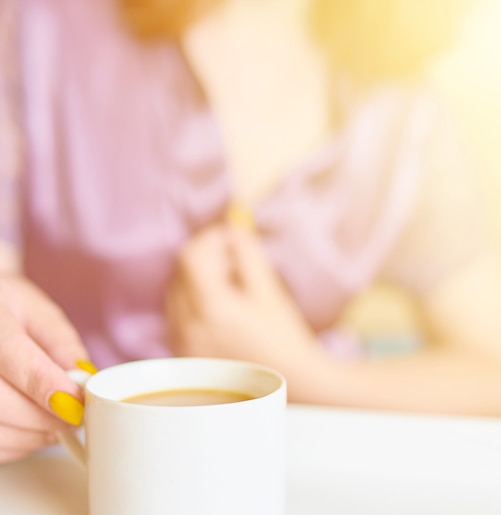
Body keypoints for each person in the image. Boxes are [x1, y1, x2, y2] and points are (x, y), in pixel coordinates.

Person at [1, 0, 500, 465]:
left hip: (293, 487)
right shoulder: (36, 27)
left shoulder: (406, 119)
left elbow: (490, 367)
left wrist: (309, 376)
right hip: (66, 482)